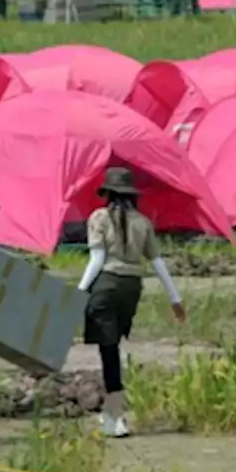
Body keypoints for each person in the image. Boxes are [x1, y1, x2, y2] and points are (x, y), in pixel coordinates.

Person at [75, 167, 185, 438]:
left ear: (107, 193)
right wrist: (175, 299)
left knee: (108, 352)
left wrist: (78, 292)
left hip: (106, 286)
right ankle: (112, 414)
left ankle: (115, 417)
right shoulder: (143, 222)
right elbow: (158, 263)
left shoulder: (99, 218)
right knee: (112, 349)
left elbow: (97, 261)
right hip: (132, 288)